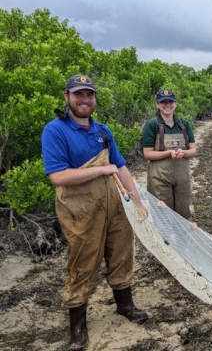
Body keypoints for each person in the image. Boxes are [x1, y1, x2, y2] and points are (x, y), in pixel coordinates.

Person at [41, 75, 149, 350]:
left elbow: (121, 167)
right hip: (80, 211)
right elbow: (58, 177)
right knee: (82, 263)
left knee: (122, 253)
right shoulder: (55, 131)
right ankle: (77, 327)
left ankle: (125, 305)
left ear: (95, 99)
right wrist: (102, 169)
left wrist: (137, 201)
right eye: (78, 95)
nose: (84, 100)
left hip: (114, 205)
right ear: (66, 97)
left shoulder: (103, 130)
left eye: (89, 95)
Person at [142, 89, 196, 219]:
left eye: (170, 101)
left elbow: (193, 150)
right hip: (159, 178)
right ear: (157, 104)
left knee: (182, 214)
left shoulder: (184, 124)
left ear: (175, 103)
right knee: (162, 214)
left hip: (182, 177)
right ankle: (163, 240)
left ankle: (180, 239)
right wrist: (169, 153)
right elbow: (147, 154)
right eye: (163, 102)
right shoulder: (152, 124)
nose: (167, 105)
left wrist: (183, 152)